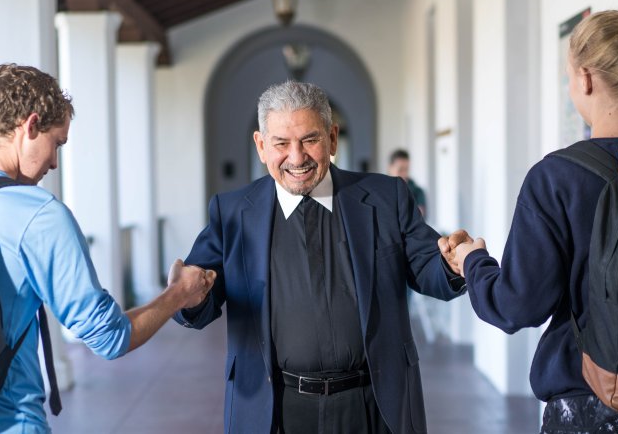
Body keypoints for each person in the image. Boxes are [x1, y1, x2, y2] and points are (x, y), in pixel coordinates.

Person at [442, 10, 618, 432]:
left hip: (587, 409)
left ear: (585, 79)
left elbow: (516, 306)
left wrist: (472, 260)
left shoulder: (556, 179)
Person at [0, 64, 215, 434]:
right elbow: (110, 338)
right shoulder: (38, 214)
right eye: (56, 143)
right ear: (30, 126)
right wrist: (179, 293)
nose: (54, 163)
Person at [173, 81, 466, 434]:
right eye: (281, 143)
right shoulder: (232, 213)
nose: (297, 158)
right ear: (261, 146)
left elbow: (427, 265)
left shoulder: (386, 197)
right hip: (275, 410)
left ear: (332, 138)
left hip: (375, 405)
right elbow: (198, 296)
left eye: (309, 139)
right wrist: (188, 298)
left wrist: (450, 265)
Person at [387, 149, 427, 217]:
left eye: (406, 169)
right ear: (390, 168)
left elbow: (418, 218)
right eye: (400, 170)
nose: (404, 174)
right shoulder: (380, 190)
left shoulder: (418, 192)